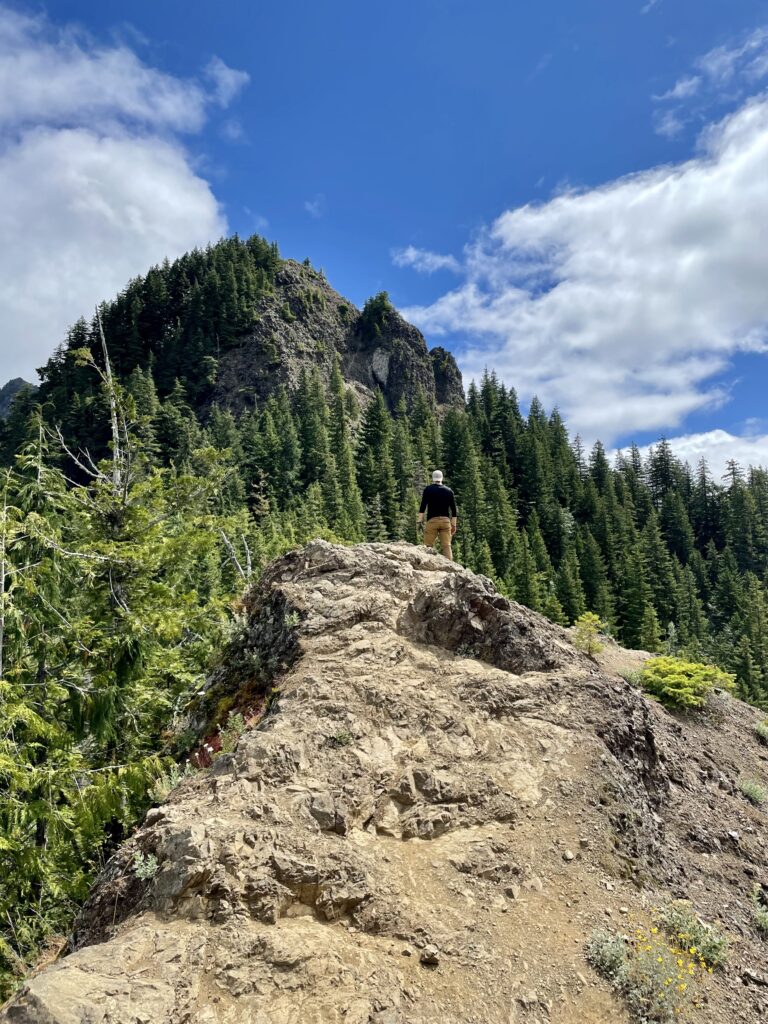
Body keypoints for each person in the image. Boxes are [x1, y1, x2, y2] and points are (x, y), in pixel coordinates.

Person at [417, 470, 458, 560]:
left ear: (433, 478)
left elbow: (423, 506)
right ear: (442, 478)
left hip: (432, 521)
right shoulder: (449, 491)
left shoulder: (428, 489)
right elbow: (454, 510)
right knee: (447, 546)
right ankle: (450, 567)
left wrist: (419, 521)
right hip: (445, 522)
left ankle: (428, 564)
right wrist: (454, 525)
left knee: (428, 546)